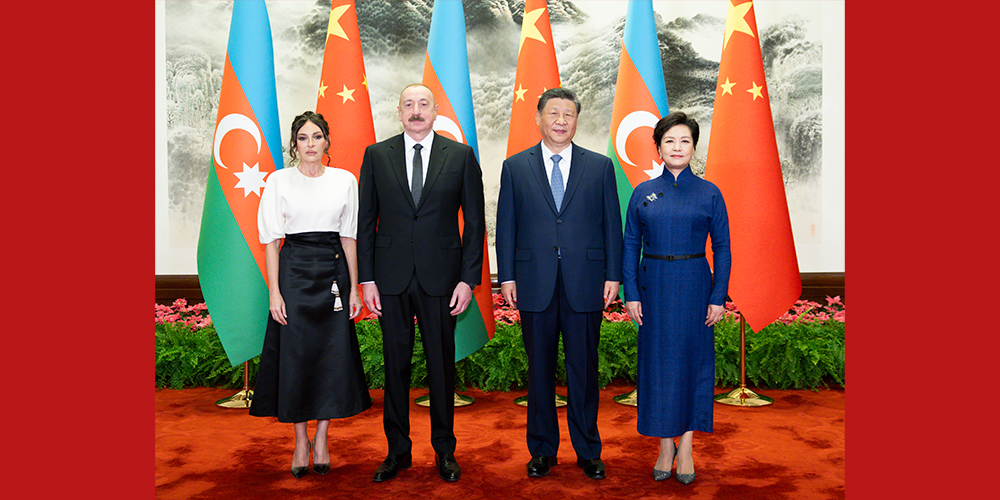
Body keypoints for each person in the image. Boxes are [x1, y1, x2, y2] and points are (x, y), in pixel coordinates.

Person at [357, 83, 486, 483]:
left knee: (441, 367)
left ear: (435, 111)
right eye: (409, 104)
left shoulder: (461, 156)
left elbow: (475, 223)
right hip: (390, 279)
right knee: (395, 367)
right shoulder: (376, 155)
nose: (416, 111)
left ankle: (445, 451)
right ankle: (397, 451)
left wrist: (468, 280)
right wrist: (366, 278)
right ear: (399, 112)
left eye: (423, 104)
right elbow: (365, 221)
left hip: (442, 280)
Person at [495, 87, 623, 480]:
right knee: (540, 371)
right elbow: (506, 226)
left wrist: (614, 274)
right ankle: (542, 450)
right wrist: (507, 276)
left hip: (586, 282)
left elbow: (612, 225)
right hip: (535, 282)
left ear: (576, 120)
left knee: (583, 370)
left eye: (568, 114)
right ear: (539, 118)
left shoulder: (599, 166)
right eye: (553, 113)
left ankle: (588, 451)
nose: (561, 121)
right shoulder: (515, 166)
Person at [249, 111, 372, 478]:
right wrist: (274, 293)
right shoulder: (278, 181)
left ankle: (322, 439)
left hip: (334, 276)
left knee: (331, 358)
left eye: (317, 137)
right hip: (293, 277)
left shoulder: (345, 180)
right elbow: (272, 244)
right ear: (294, 144)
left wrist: (354, 290)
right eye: (303, 138)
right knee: (297, 359)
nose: (310, 144)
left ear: (327, 141)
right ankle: (300, 440)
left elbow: (349, 238)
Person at [621, 111, 731, 484]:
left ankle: (685, 447)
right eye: (669, 141)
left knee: (691, 365)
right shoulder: (643, 192)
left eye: (685, 140)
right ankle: (664, 445)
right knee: (659, 368)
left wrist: (718, 296)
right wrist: (631, 292)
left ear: (694, 147)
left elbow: (723, 248)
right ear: (658, 148)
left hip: (695, 286)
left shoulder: (709, 193)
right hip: (652, 289)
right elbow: (630, 244)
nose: (677, 147)